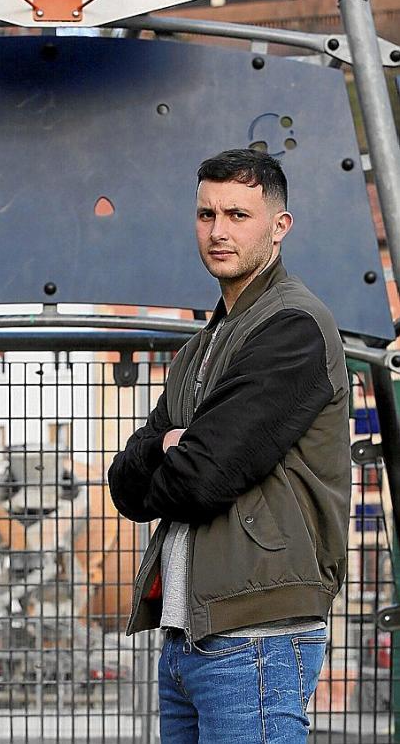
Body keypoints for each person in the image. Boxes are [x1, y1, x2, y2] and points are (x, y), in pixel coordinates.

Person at [108, 149, 350, 743]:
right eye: (206, 214)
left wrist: (170, 452)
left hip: (257, 632)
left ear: (279, 226)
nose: (218, 231)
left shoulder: (294, 327)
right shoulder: (201, 348)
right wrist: (165, 445)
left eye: (238, 215)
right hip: (189, 631)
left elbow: (201, 478)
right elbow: (125, 485)